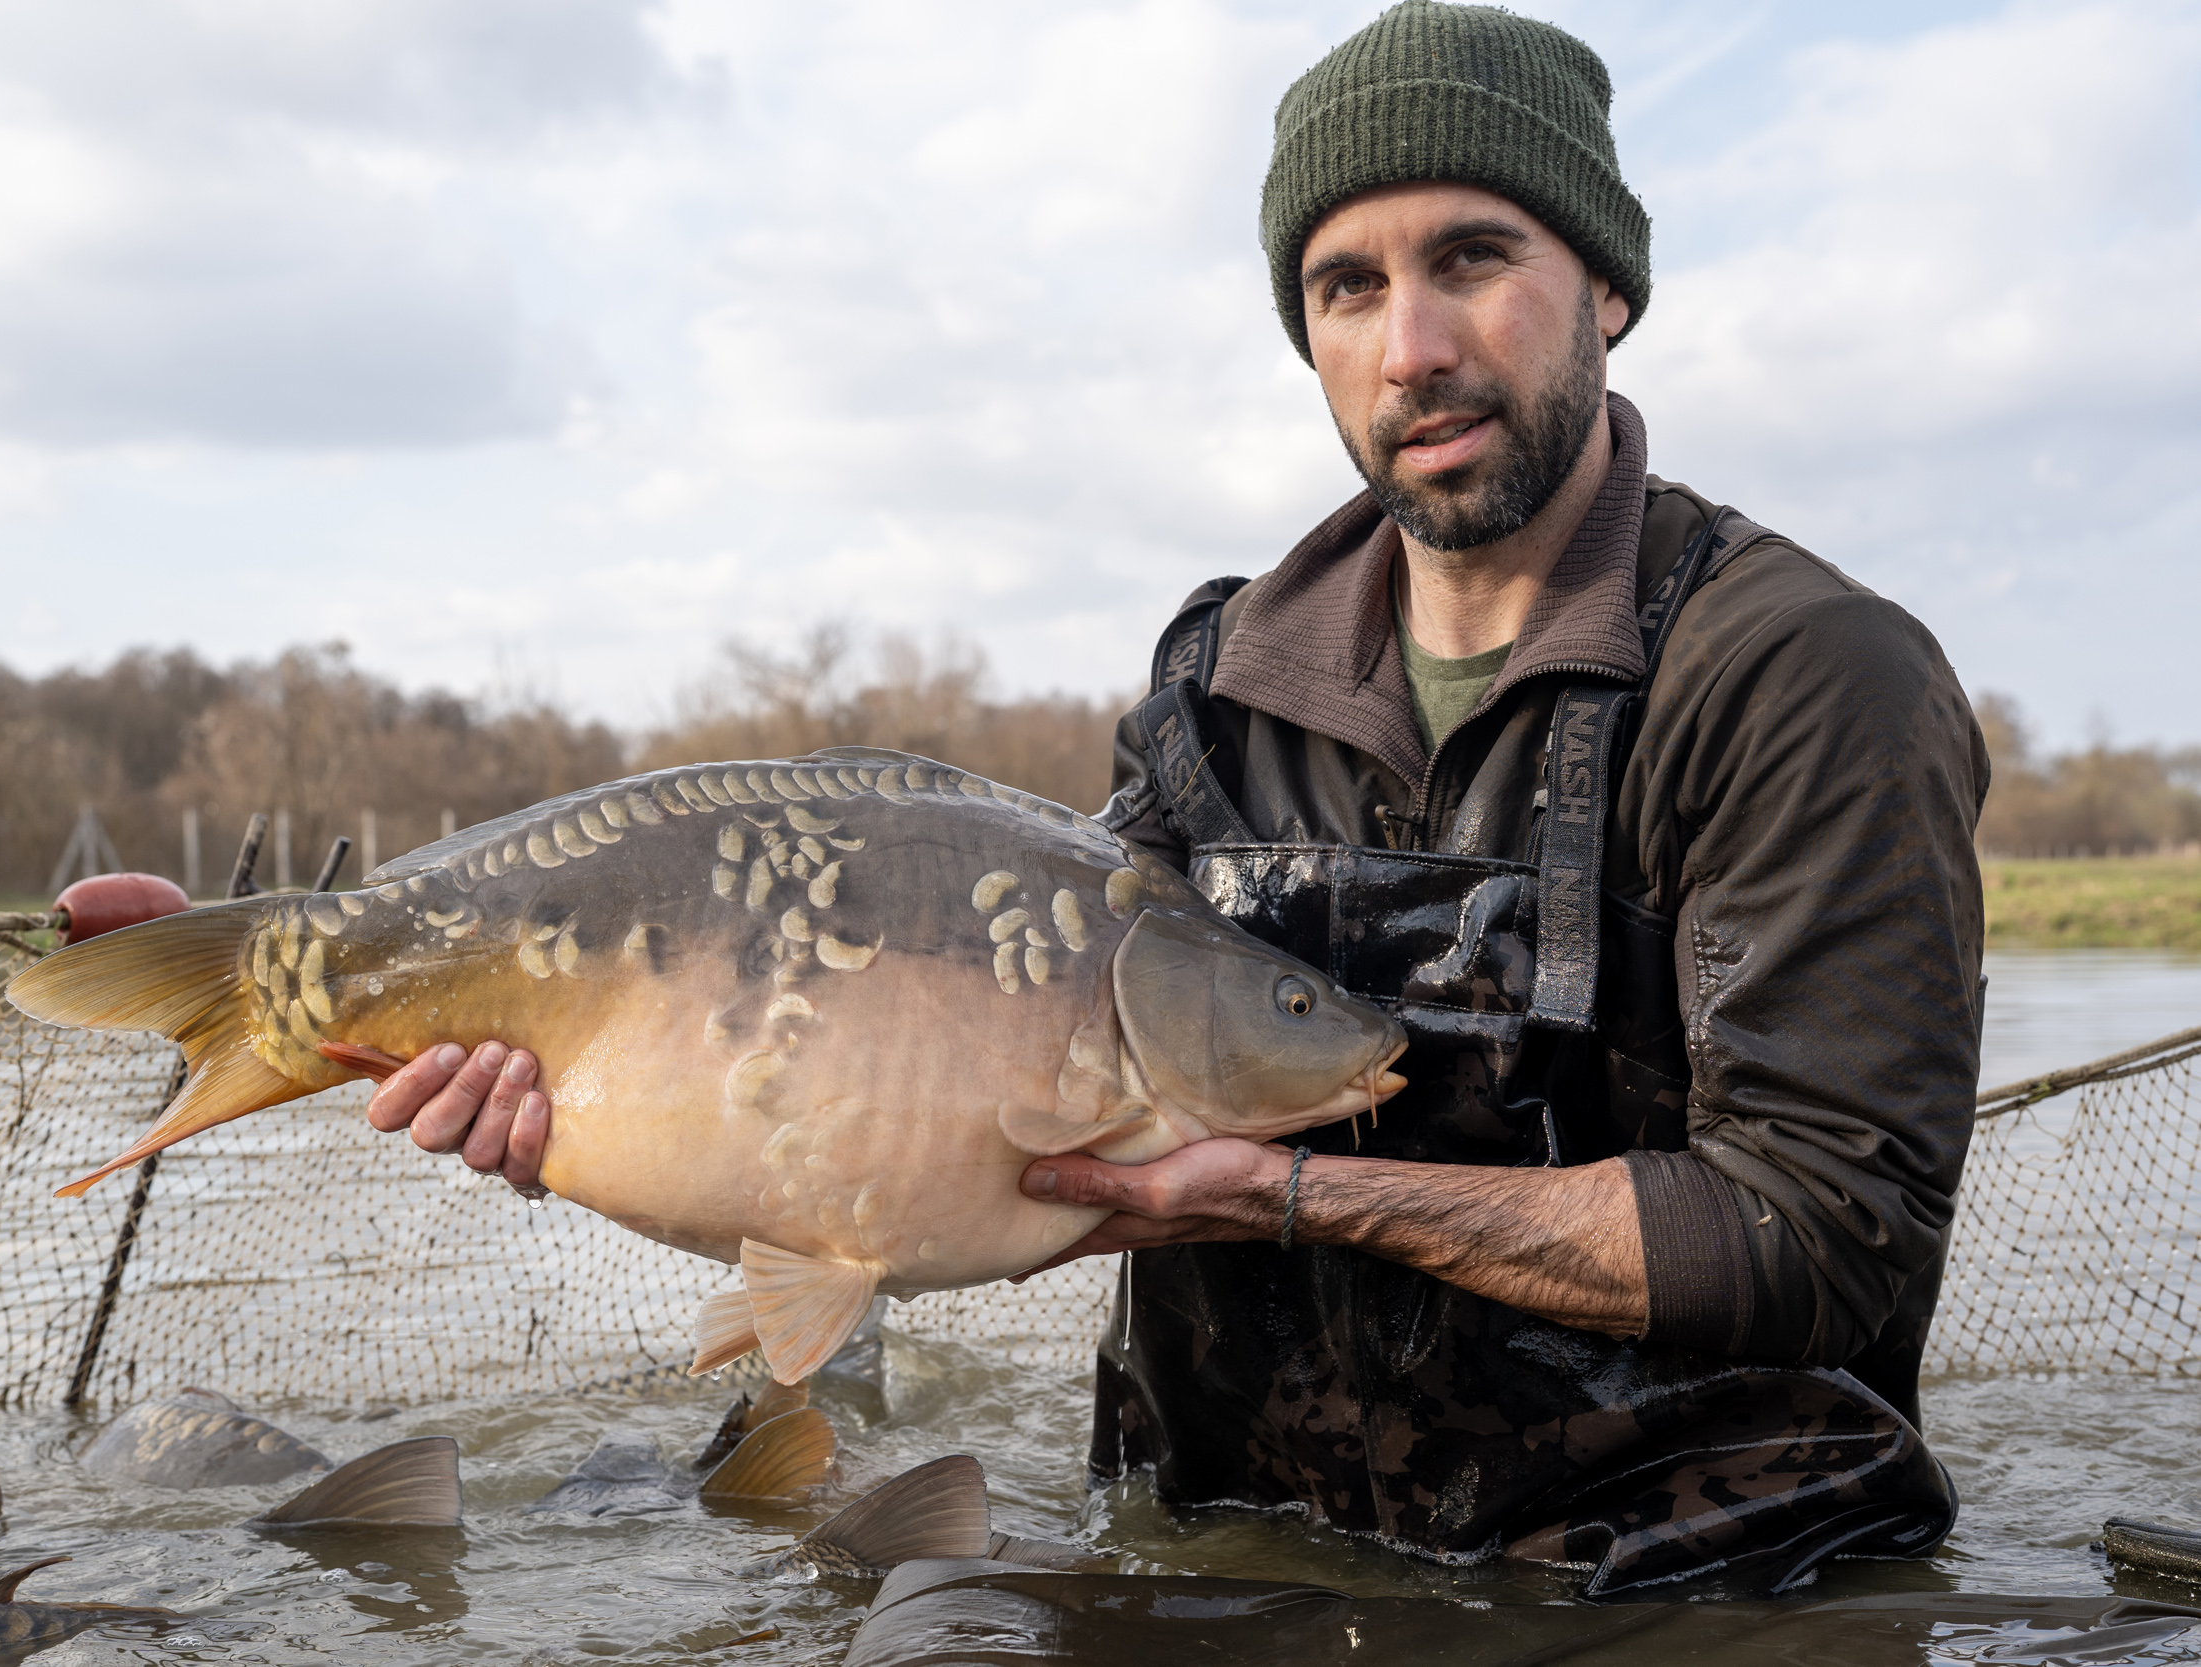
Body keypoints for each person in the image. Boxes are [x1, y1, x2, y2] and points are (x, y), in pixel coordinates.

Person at [361, 0, 1991, 1597]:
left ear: (1610, 285)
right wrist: (612, 1109)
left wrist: (1304, 1196)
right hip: (1227, 1553)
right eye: (1348, 287)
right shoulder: (1213, 688)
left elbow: (1828, 1233)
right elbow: (942, 1126)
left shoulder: (1801, 676)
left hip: (1694, 1578)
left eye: (1473, 259)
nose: (1413, 349)